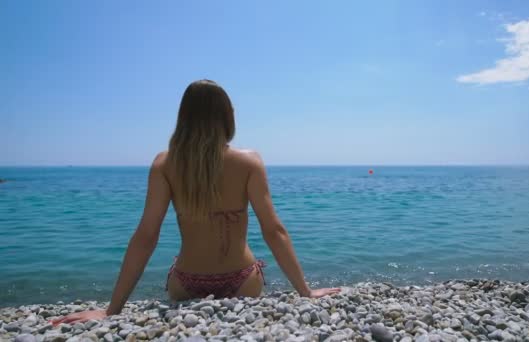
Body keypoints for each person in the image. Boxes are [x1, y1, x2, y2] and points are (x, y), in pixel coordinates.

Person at [53, 80, 340, 324]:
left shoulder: (164, 164)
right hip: (242, 280)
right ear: (228, 116)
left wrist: (111, 310)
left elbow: (145, 237)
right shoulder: (249, 161)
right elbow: (274, 231)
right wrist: (306, 291)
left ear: (183, 117)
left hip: (187, 283)